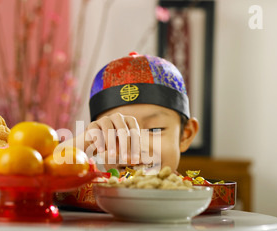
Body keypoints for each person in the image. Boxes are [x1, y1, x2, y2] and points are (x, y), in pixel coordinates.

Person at [62, 52, 199, 174]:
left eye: (154, 129)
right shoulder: (89, 196)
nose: (136, 149)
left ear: (186, 135)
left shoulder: (201, 198)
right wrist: (79, 145)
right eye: (116, 133)